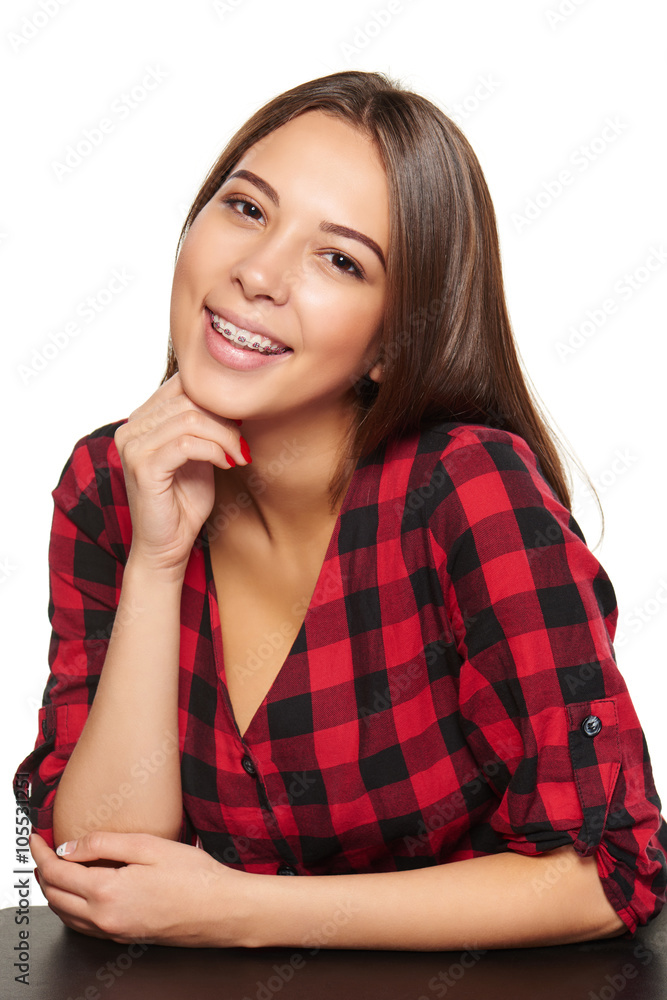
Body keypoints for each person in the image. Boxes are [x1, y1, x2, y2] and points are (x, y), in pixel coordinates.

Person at [16, 70, 667, 951]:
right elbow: (100, 872)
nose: (257, 273)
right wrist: (157, 564)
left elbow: (609, 871)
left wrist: (243, 912)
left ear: (390, 345)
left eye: (339, 259)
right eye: (246, 210)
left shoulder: (467, 492)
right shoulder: (114, 482)